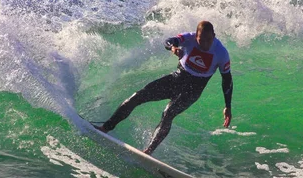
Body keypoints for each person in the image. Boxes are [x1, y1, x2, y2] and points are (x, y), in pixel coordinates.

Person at [97, 21, 233, 155]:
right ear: (196, 36)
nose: (205, 44)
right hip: (177, 78)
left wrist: (227, 106)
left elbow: (227, 80)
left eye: (208, 40)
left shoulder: (221, 52)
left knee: (168, 114)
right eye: (201, 40)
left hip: (193, 90)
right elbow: (168, 41)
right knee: (138, 96)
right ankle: (105, 128)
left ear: (214, 35)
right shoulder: (189, 38)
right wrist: (173, 48)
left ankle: (148, 151)